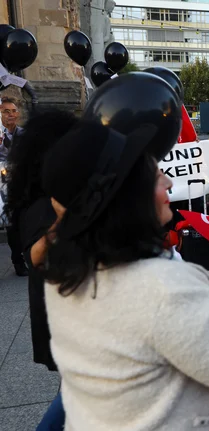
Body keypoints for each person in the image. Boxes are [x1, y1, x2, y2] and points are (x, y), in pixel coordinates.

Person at [39, 121, 209, 430]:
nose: (169, 183)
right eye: (154, 176)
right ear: (126, 198)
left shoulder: (63, 270)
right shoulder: (164, 288)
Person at [3, 110, 79, 430]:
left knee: (78, 393)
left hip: (72, 305)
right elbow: (34, 255)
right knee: (76, 394)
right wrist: (62, 222)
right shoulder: (41, 201)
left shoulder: (58, 190)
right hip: (64, 310)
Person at [0, 96, 27, 276]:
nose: (11, 115)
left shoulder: (26, 134)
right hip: (3, 190)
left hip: (24, 186)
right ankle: (18, 262)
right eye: (6, 111)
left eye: (14, 111)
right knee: (12, 228)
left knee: (26, 223)